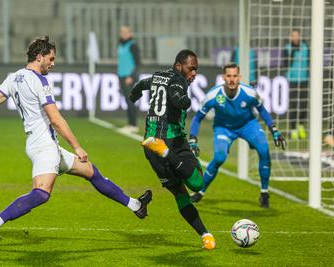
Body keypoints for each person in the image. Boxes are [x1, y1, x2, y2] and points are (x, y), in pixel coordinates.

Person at [0, 36, 152, 249]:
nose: (53, 64)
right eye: (51, 58)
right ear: (39, 57)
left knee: (91, 172)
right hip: (44, 146)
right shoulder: (40, 81)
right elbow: (55, 119)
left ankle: (136, 205)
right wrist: (76, 146)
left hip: (45, 145)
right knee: (41, 193)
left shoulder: (14, 78)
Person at [129, 49, 216, 250]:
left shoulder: (158, 76)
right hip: (172, 142)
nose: (193, 73)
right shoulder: (179, 80)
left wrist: (134, 94)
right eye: (191, 68)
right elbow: (177, 96)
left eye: (196, 69)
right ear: (179, 67)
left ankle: (206, 235)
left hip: (150, 146)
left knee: (180, 194)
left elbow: (141, 84)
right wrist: (184, 101)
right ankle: (166, 152)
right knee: (196, 183)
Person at [189, 63, 286, 208]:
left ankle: (264, 193)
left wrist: (274, 129)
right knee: (219, 157)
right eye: (229, 76)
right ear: (223, 77)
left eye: (235, 76)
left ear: (239, 77)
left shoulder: (249, 93)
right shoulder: (213, 95)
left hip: (248, 125)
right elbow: (197, 118)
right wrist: (192, 139)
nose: (232, 79)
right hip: (224, 128)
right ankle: (200, 191)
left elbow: (262, 110)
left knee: (264, 150)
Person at [282, 29, 309, 140]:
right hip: (292, 79)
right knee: (293, 105)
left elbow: (309, 62)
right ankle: (293, 129)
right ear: (290, 37)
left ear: (299, 36)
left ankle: (301, 125)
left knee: (303, 104)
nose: (295, 37)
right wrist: (293, 52)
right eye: (293, 35)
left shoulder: (305, 47)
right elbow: (286, 64)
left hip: (303, 79)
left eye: (297, 35)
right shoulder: (287, 48)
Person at [117, 26, 141, 134]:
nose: (123, 33)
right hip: (122, 75)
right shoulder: (121, 44)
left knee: (130, 100)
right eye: (122, 31)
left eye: (126, 32)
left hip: (129, 77)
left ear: (130, 33)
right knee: (127, 100)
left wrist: (131, 76)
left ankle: (133, 124)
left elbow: (137, 62)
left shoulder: (133, 45)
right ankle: (130, 124)